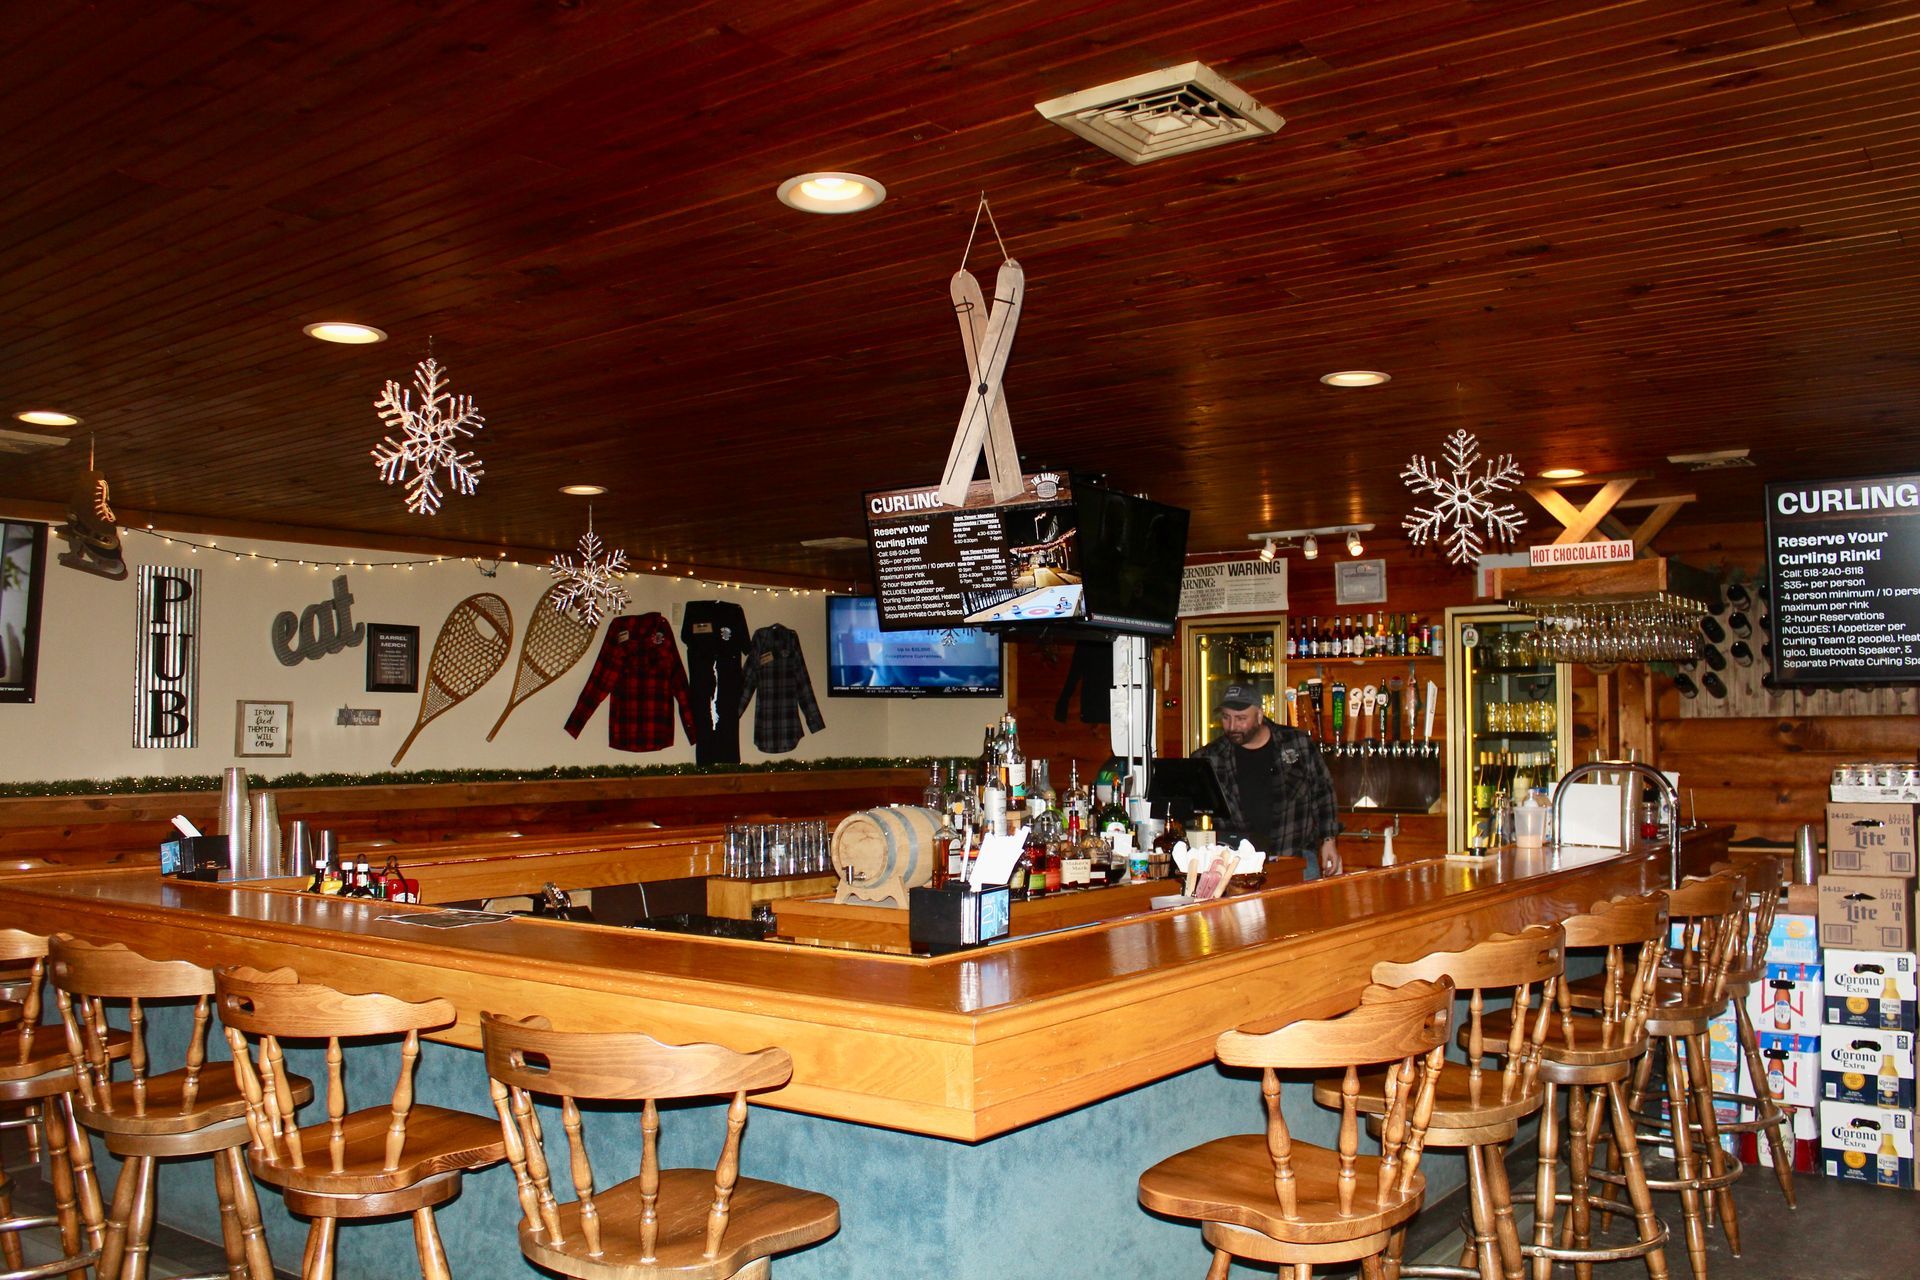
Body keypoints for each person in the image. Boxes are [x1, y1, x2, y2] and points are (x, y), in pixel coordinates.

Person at [1192, 682, 1341, 878]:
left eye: (1241, 718)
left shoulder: (1296, 743)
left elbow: (1323, 792)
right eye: (1226, 718)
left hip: (1294, 858)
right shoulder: (1210, 758)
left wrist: (1329, 840)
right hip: (1236, 867)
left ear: (1260, 716)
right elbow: (1191, 813)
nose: (1232, 726)